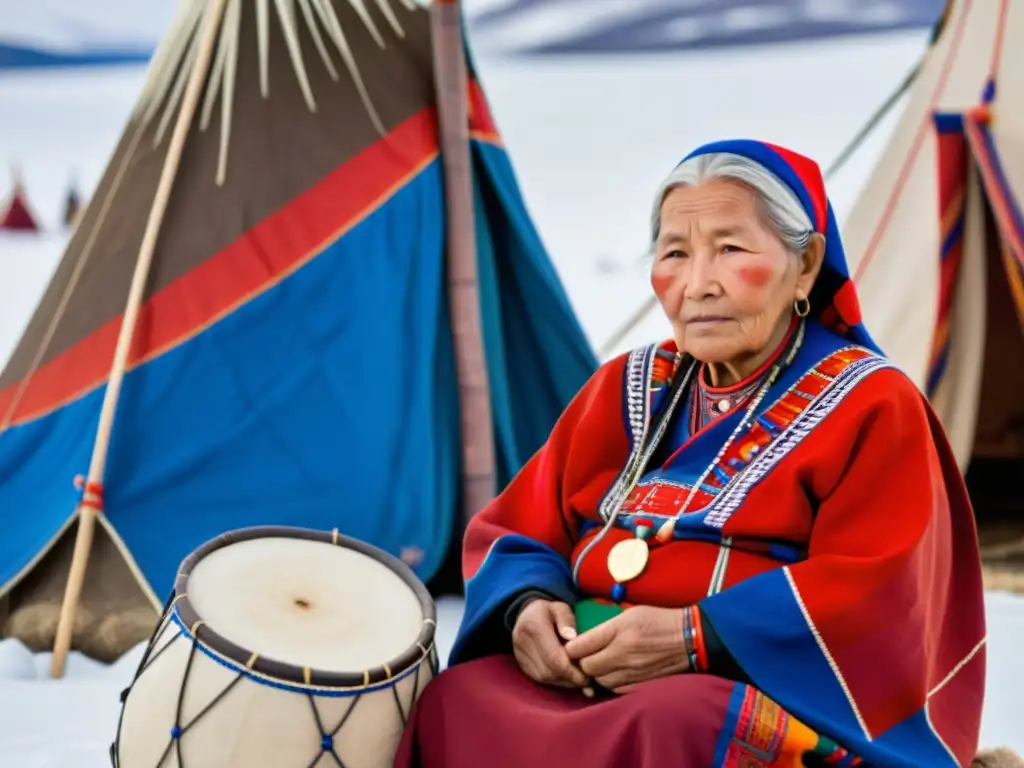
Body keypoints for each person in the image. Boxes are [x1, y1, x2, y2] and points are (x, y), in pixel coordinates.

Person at [394, 140, 987, 767]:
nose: (697, 284)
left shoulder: (870, 403)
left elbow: (878, 590)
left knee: (676, 720)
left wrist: (695, 637)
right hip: (587, 669)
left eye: (730, 250)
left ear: (806, 264)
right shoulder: (627, 384)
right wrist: (526, 607)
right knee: (458, 699)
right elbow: (518, 528)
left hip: (758, 685)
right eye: (675, 253)